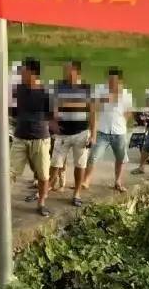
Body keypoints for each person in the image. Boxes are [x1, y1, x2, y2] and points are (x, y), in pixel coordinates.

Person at [50, 61, 95, 207]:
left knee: (80, 164)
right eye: (65, 70)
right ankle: (46, 190)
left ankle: (77, 193)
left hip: (81, 132)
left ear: (76, 72)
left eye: (68, 70)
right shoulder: (59, 87)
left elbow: (93, 113)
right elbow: (53, 108)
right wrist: (54, 122)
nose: (66, 73)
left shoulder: (86, 89)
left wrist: (93, 135)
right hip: (62, 133)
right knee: (55, 163)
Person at [12, 59, 52, 217]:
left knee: (43, 173)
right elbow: (15, 110)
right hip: (20, 137)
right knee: (10, 172)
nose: (21, 73)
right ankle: (1, 203)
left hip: (39, 137)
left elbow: (50, 114)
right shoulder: (19, 89)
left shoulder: (44, 92)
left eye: (23, 70)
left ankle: (41, 202)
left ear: (32, 73)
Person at [86, 67, 133, 194]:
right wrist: (105, 99)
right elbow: (92, 106)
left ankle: (118, 181)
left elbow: (129, 112)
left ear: (120, 81)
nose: (112, 83)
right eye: (110, 80)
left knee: (121, 157)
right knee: (93, 156)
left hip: (119, 131)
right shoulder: (100, 90)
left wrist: (123, 122)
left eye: (115, 81)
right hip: (102, 130)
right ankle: (86, 180)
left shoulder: (126, 94)